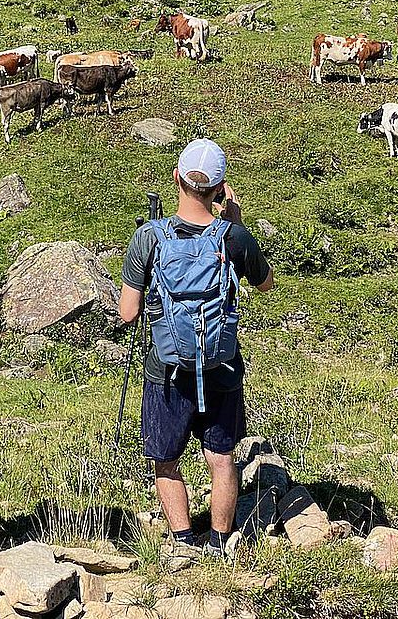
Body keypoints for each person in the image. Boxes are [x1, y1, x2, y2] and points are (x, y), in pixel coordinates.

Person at [119, 138, 274, 558]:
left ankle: (184, 543)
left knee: (166, 461)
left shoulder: (149, 237)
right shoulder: (233, 237)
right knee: (222, 458)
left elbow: (128, 313)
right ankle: (222, 544)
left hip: (167, 371)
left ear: (177, 179)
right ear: (220, 188)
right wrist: (236, 223)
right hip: (221, 367)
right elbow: (265, 284)